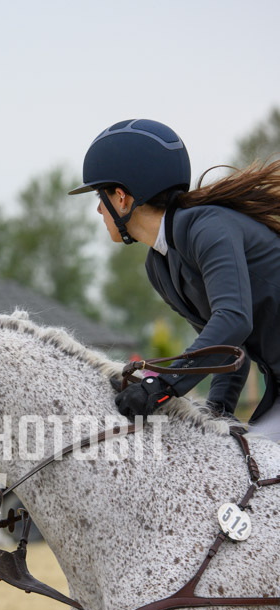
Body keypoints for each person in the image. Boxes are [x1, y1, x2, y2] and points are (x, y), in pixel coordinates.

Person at [69, 118, 280, 439]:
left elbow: (234, 321)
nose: (99, 210)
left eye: (101, 196)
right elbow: (226, 350)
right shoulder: (160, 266)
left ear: (122, 198)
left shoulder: (209, 228)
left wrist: (159, 385)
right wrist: (214, 416)